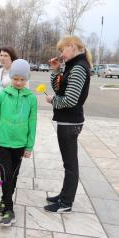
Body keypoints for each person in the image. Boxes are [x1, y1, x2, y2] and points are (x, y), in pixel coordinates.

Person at [44, 36, 92, 213]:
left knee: (70, 164)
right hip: (67, 120)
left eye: (62, 49)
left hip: (70, 121)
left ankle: (66, 203)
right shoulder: (72, 66)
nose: (61, 54)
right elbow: (60, 89)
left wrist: (53, 101)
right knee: (68, 163)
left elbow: (70, 99)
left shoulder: (79, 68)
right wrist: (56, 71)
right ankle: (64, 194)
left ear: (72, 47)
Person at [0, 59, 37, 226]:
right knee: (5, 174)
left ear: (27, 79)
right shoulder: (2, 94)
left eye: (22, 79)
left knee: (13, 175)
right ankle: (9, 209)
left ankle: (4, 199)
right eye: (15, 78)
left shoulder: (31, 98)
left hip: (20, 144)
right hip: (3, 142)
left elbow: (32, 122)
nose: (18, 82)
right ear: (11, 77)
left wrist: (29, 146)